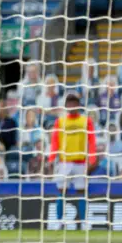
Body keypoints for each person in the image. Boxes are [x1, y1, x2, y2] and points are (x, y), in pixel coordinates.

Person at [47, 93, 97, 228]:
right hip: (65, 162)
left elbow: (92, 140)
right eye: (69, 103)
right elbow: (55, 141)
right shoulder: (60, 121)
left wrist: (92, 157)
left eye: (74, 103)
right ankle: (58, 221)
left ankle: (83, 222)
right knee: (61, 191)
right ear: (66, 105)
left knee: (81, 191)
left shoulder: (86, 121)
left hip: (81, 161)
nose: (72, 106)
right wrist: (51, 158)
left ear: (78, 105)